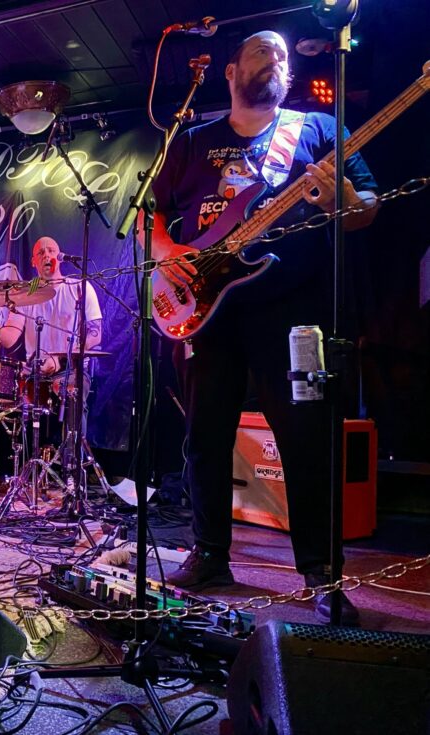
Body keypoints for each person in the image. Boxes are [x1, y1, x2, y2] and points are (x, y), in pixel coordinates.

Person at [150, 31, 378, 623]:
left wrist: (342, 202)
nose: (275, 58)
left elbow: (368, 205)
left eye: (281, 55)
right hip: (205, 307)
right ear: (230, 71)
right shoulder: (193, 141)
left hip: (293, 308)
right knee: (204, 436)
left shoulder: (318, 130)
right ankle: (210, 554)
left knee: (306, 438)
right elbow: (152, 212)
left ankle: (321, 571)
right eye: (261, 51)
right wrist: (168, 251)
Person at [0, 237, 103, 466]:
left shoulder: (79, 288)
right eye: (40, 252)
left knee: (71, 394)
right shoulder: (27, 294)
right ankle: (18, 469)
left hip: (70, 369)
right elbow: (9, 338)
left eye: (51, 250)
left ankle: (71, 468)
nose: (46, 255)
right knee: (4, 392)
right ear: (33, 261)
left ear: (59, 256)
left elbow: (95, 334)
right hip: (37, 370)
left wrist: (61, 358)